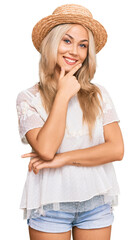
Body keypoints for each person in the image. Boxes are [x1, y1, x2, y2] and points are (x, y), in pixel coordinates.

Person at [16, 4, 124, 240]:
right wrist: (63, 95)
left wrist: (62, 159)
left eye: (82, 45)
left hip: (96, 204)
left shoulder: (98, 94)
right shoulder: (28, 98)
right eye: (67, 41)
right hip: (50, 207)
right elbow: (45, 149)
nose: (75, 51)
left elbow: (116, 149)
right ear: (51, 44)